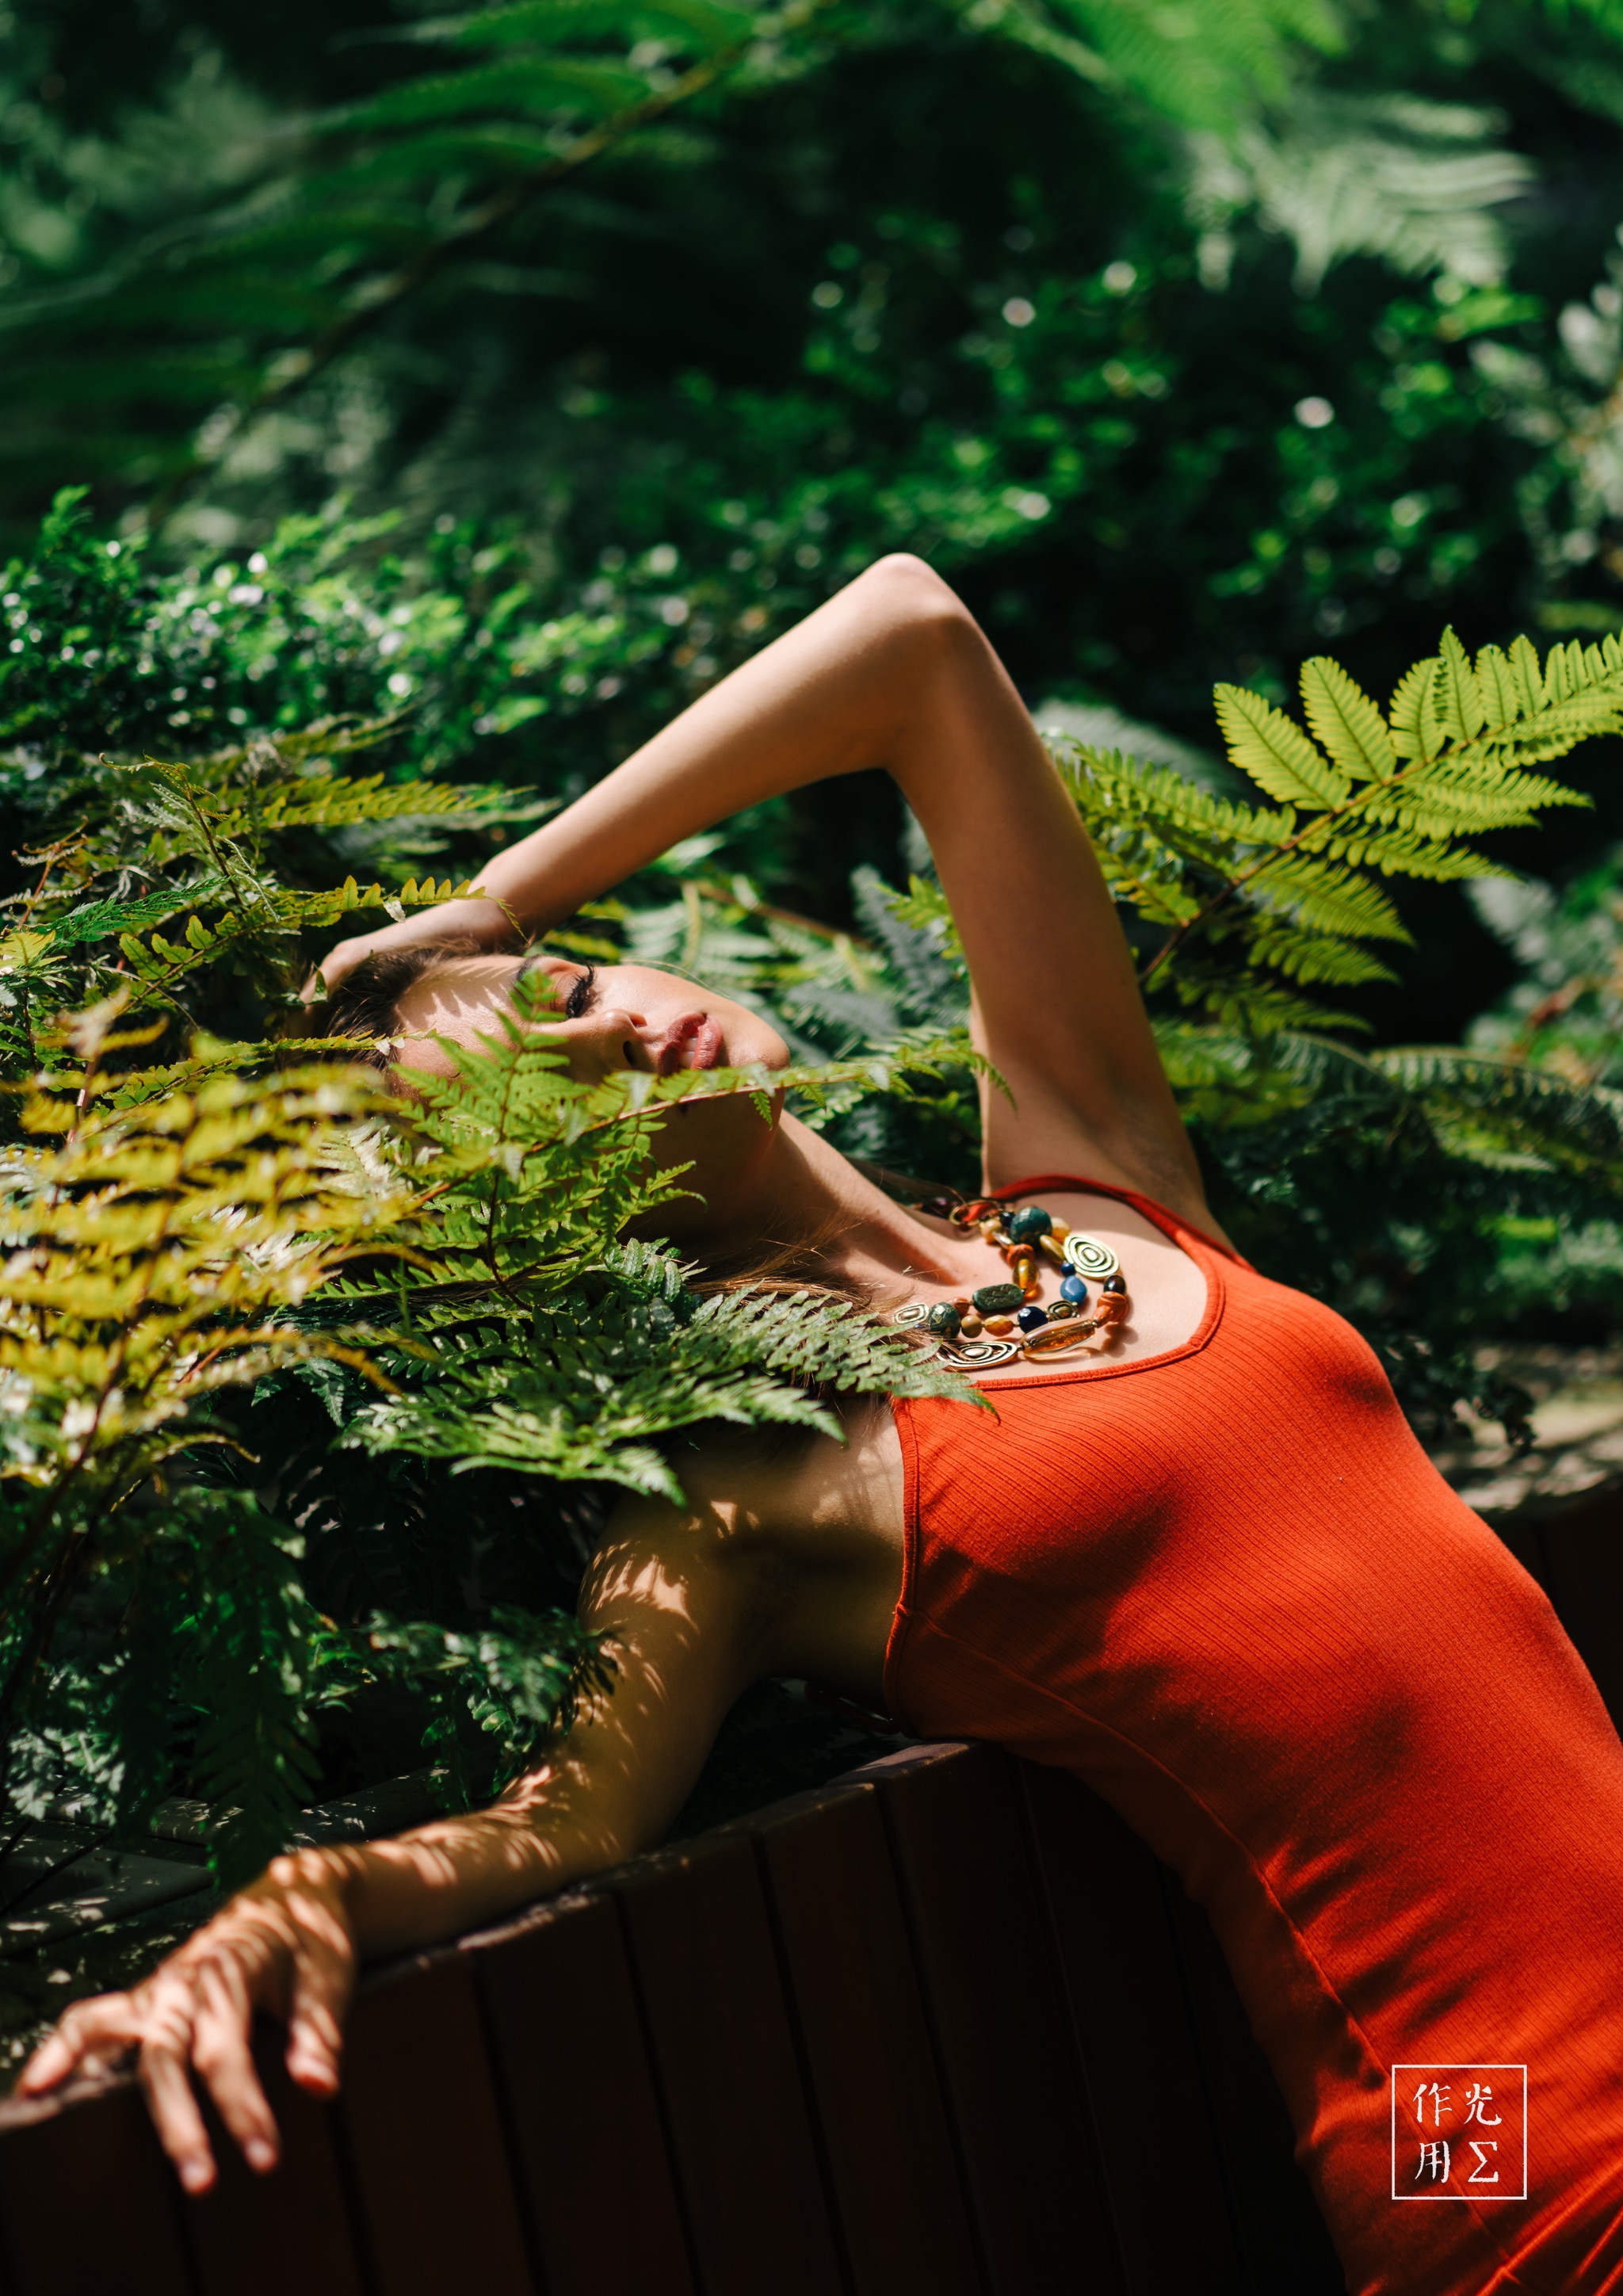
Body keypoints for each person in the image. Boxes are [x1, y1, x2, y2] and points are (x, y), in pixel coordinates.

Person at [21, 556, 1623, 2295]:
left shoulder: (1101, 1182)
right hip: (1495, 2136)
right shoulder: (748, 1491)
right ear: (539, 1211)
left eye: (566, 995)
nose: (628, 1036)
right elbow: (561, 1824)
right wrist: (299, 1906)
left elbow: (915, 639)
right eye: (547, 1090)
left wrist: (478, 912)